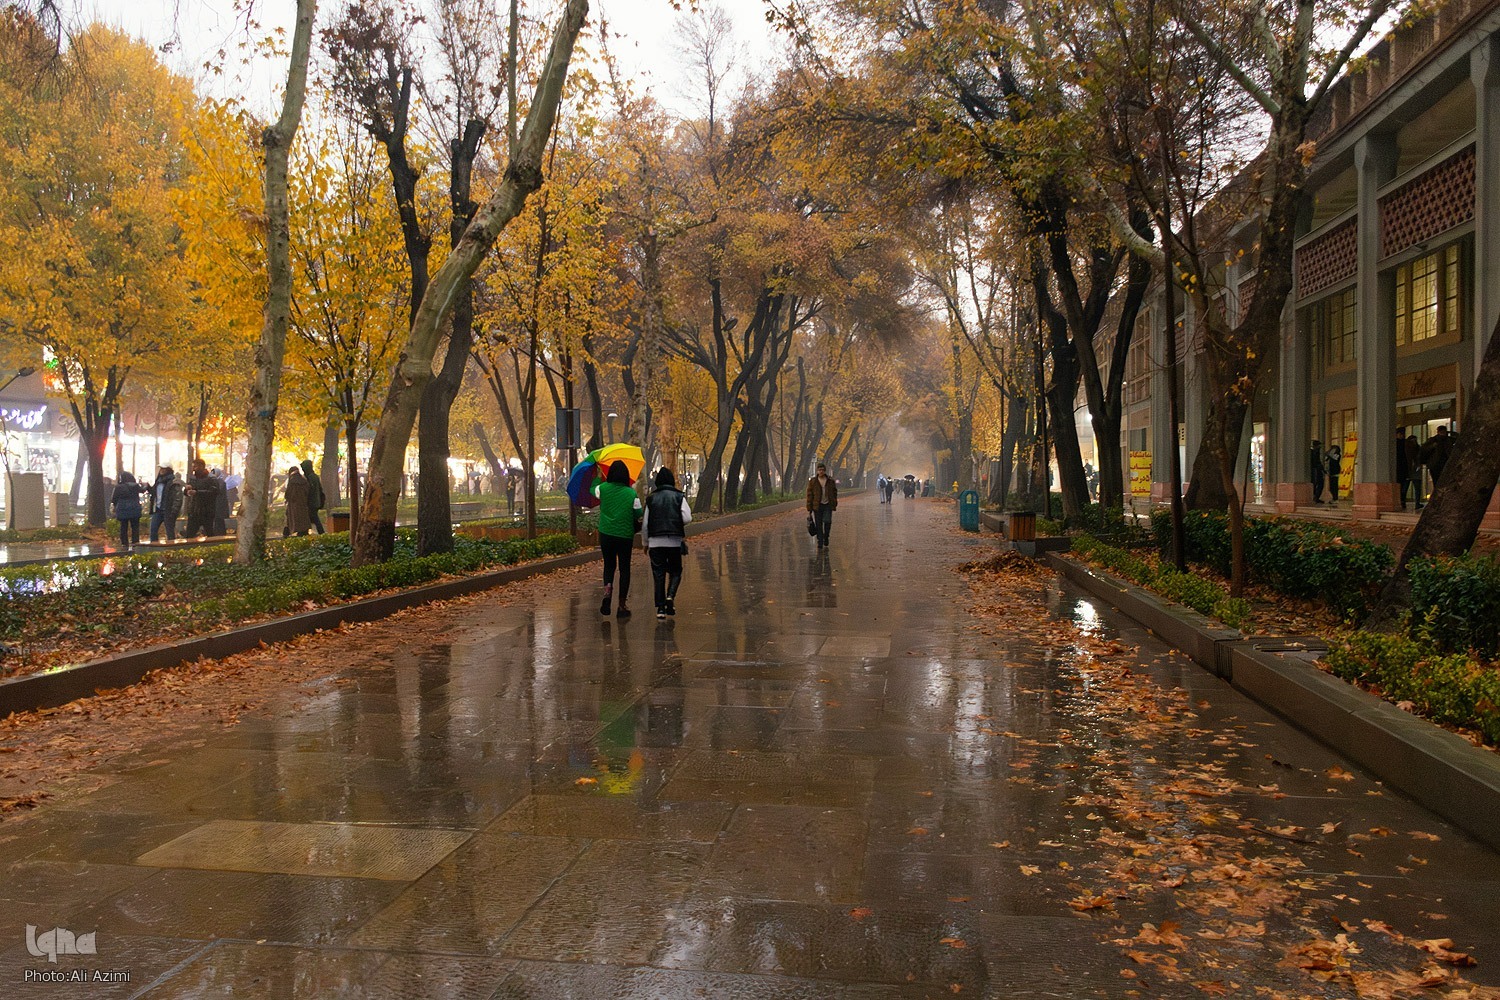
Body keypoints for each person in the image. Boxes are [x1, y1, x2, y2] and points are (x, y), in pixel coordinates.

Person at [593, 460, 642, 618]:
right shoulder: (631, 493)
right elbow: (638, 513)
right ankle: (621, 605)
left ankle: (607, 595)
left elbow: (592, 490)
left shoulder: (602, 489)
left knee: (609, 566)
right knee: (624, 568)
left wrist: (597, 475)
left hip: (606, 534)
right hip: (625, 535)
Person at [642, 467, 692, 619]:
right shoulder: (679, 496)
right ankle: (670, 595)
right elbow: (687, 517)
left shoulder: (651, 498)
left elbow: (645, 524)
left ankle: (661, 609)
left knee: (658, 574)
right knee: (676, 571)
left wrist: (645, 543)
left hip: (655, 542)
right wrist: (676, 522)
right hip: (674, 541)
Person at [183, 459, 224, 538]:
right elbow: (187, 492)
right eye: (193, 467)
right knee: (189, 534)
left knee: (210, 533)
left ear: (201, 466)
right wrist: (187, 490)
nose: (193, 469)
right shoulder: (193, 478)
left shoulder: (211, 478)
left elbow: (214, 492)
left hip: (207, 511)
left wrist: (197, 492)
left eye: (195, 467)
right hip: (194, 511)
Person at [110, 472, 147, 550]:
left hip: (123, 509)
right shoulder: (135, 486)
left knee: (123, 527)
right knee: (135, 527)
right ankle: (135, 542)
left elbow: (113, 499)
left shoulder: (118, 487)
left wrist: (116, 506)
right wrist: (144, 485)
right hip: (135, 508)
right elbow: (143, 490)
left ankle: (124, 543)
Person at [806, 462, 838, 548]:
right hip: (817, 505)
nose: (821, 471)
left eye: (822, 470)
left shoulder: (830, 481)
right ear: (817, 471)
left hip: (827, 505)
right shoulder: (813, 481)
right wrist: (809, 507)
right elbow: (809, 495)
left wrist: (834, 502)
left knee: (827, 522)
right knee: (818, 524)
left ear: (825, 471)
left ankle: (826, 536)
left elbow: (834, 492)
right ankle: (820, 541)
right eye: (819, 470)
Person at [149, 465, 182, 542]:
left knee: (169, 532)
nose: (162, 470)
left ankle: (171, 547)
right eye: (161, 468)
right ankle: (154, 546)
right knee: (153, 530)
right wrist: (148, 487)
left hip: (168, 511)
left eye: (164, 469)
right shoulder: (158, 481)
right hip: (158, 510)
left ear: (168, 470)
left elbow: (178, 498)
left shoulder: (173, 482)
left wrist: (174, 511)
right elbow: (154, 493)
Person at [284, 466, 312, 536]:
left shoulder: (292, 481)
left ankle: (288, 532)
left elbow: (288, 493)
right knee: (303, 518)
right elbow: (308, 491)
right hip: (303, 503)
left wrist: (287, 499)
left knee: (293, 518)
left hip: (294, 504)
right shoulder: (304, 480)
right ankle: (304, 531)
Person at [301, 459, 327, 534]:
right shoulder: (314, 477)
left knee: (314, 518)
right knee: (311, 518)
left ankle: (320, 532)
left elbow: (310, 491)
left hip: (312, 502)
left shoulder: (310, 477)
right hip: (315, 502)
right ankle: (304, 532)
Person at [1402, 429, 1423, 509]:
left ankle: (1404, 502)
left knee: (1406, 487)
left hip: (1410, 470)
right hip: (1413, 470)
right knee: (1416, 488)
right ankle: (1416, 503)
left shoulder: (1407, 448)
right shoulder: (1416, 448)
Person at [210, 468, 230, 535]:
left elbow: (219, 491)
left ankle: (220, 533)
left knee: (219, 520)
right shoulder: (213, 481)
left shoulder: (221, 482)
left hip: (219, 504)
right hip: (214, 504)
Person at [1309, 440, 1325, 504]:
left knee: (1317, 484)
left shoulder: (1314, 452)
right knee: (1318, 483)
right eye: (1319, 445)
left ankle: (1316, 497)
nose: (1320, 447)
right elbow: (1316, 462)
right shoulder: (1314, 452)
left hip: (1316, 470)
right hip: (1315, 470)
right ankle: (1316, 497)